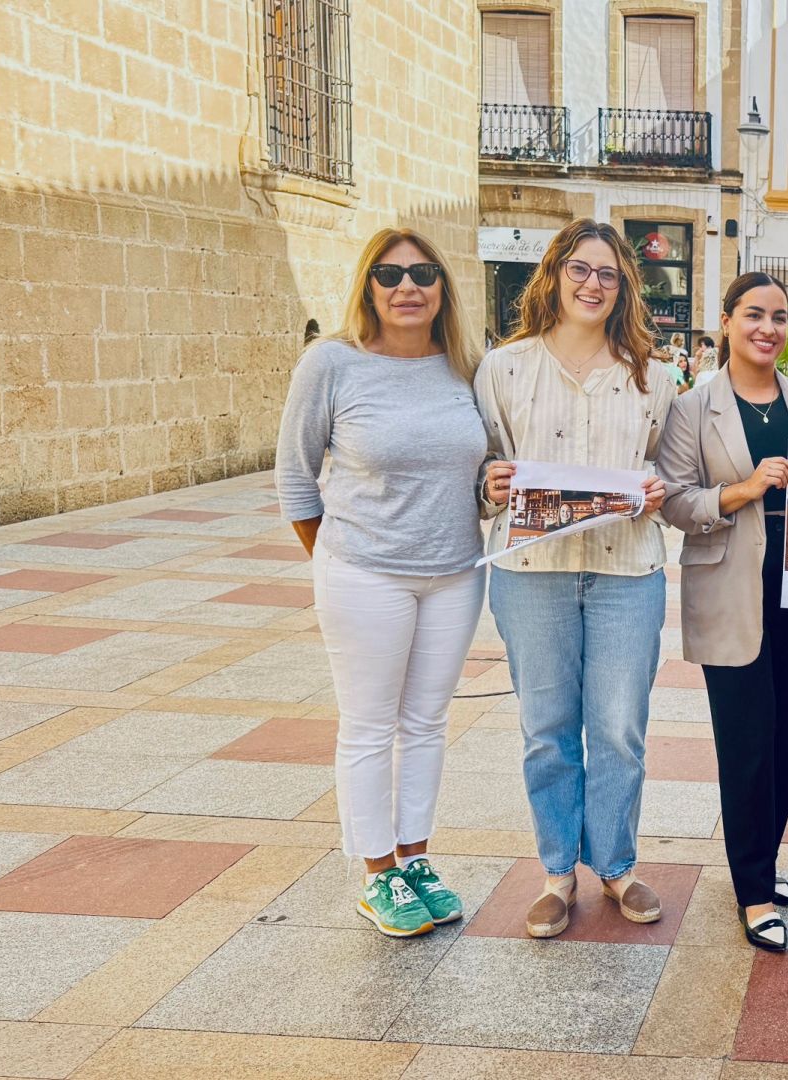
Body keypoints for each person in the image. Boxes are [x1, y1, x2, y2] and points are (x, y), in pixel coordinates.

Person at [275, 228, 488, 938]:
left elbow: (482, 474)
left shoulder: (465, 366)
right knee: (369, 726)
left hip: (454, 574)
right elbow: (295, 475)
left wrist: (493, 493)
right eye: (390, 275)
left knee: (426, 723)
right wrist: (335, 561)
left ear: (443, 287)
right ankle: (377, 875)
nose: (407, 288)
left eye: (423, 274)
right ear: (367, 286)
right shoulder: (332, 362)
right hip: (364, 574)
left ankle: (416, 861)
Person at [475, 220, 676, 938]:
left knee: (619, 728)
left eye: (608, 274)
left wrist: (657, 490)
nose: (593, 285)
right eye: (580, 270)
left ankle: (616, 865)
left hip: (627, 570)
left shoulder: (654, 375)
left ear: (624, 287)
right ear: (555, 274)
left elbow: (668, 468)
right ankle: (558, 871)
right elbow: (481, 462)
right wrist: (491, 485)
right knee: (546, 728)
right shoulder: (504, 369)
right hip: (533, 573)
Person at [658, 272, 788, 952]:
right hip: (729, 588)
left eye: (778, 316)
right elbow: (675, 501)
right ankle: (753, 891)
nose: (768, 328)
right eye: (753, 314)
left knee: (785, 737)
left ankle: (763, 863)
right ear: (726, 321)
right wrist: (742, 490)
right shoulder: (693, 408)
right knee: (745, 741)